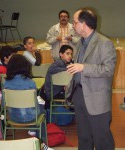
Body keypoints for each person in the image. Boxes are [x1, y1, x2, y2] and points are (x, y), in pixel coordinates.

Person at [66, 8, 116, 150]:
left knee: (102, 140)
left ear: (84, 24)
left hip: (97, 99)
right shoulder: (80, 43)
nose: (73, 25)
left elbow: (108, 69)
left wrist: (83, 67)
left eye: (75, 22)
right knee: (84, 137)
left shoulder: (104, 43)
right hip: (79, 95)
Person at [4, 54, 53, 150]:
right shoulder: (30, 83)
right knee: (42, 112)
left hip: (13, 118)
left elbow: (3, 104)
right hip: (30, 117)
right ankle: (42, 144)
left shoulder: (6, 83)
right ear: (25, 66)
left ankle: (33, 130)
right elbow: (34, 104)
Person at [42, 45, 73, 109]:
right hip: (53, 93)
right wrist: (67, 69)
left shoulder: (63, 63)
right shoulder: (59, 62)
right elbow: (51, 69)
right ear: (61, 54)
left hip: (52, 92)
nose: (70, 56)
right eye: (67, 53)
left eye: (71, 54)